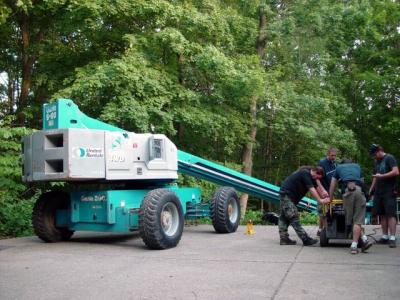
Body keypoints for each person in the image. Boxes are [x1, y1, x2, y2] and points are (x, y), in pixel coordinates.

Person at [329, 159, 373, 254]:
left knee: (352, 219)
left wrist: (331, 199)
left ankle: (354, 245)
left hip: (348, 191)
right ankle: (364, 240)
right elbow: (362, 182)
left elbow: (333, 185)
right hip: (360, 191)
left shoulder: (339, 168)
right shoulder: (357, 166)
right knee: (357, 220)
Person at [278, 166, 330, 246]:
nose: (316, 179)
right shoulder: (305, 173)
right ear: (314, 171)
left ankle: (284, 239)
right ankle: (305, 239)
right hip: (286, 195)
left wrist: (324, 195)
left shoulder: (311, 176)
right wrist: (320, 200)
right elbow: (312, 189)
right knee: (293, 216)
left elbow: (316, 188)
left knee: (284, 217)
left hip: (290, 196)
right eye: (317, 177)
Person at [368, 144, 399, 248]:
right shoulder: (377, 161)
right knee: (381, 214)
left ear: (379, 151)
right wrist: (371, 189)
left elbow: (396, 171)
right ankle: (385, 236)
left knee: (390, 214)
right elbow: (375, 176)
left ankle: (392, 238)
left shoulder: (389, 158)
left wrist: (382, 176)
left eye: (374, 154)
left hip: (389, 190)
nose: (374, 157)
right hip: (379, 191)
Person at [317, 147, 338, 235]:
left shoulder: (335, 164)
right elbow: (317, 178)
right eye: (332, 155)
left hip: (331, 189)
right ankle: (323, 230)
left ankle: (321, 229)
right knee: (323, 210)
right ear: (328, 154)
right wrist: (322, 191)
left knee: (330, 209)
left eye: (335, 156)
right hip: (323, 189)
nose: (333, 157)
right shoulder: (322, 163)